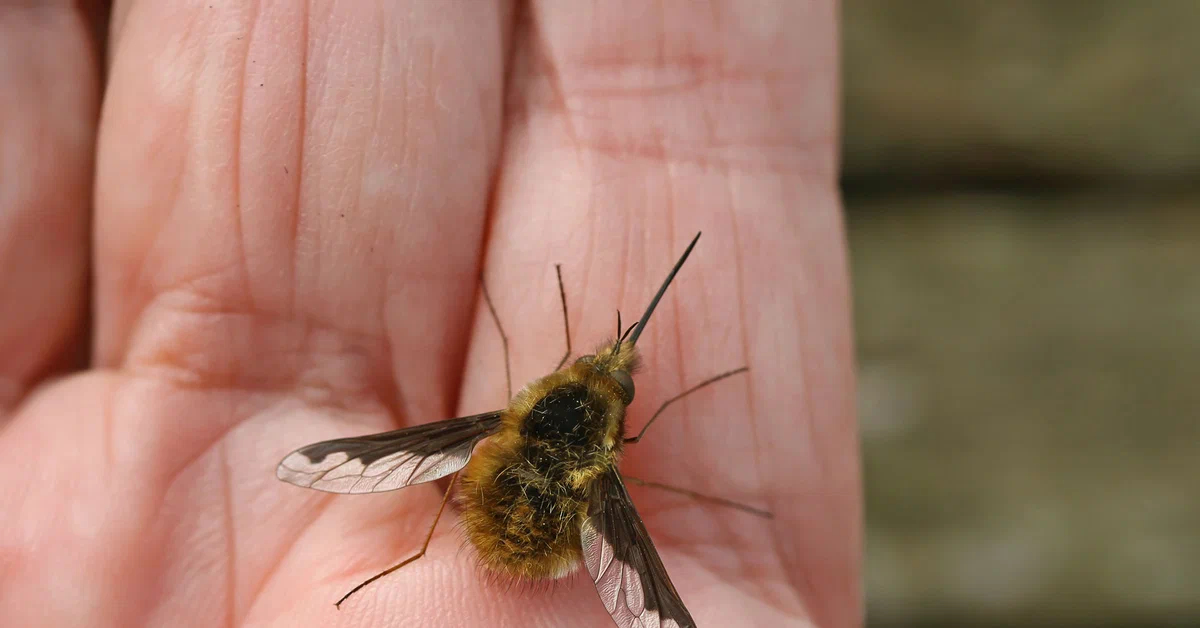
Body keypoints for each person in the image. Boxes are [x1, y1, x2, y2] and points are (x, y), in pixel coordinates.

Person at [0, 2, 859, 626]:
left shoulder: (516, 415)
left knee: (457, 452)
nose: (606, 373)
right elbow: (623, 502)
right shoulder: (605, 471)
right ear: (613, 440)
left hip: (497, 512)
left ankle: (421, 552)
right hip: (545, 528)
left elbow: (427, 449)